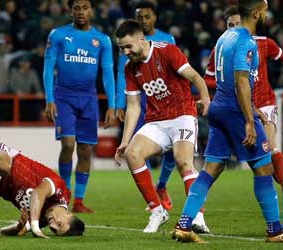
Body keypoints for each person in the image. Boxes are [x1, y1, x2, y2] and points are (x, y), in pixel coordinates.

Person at [172, 0, 283, 243]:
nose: (266, 16)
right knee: (264, 168)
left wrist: (254, 108)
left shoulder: (225, 38)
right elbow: (241, 81)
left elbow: (227, 80)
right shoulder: (246, 41)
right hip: (234, 111)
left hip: (219, 108)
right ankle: (275, 230)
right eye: (264, 12)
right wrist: (250, 121)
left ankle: (183, 224)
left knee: (212, 168)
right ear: (256, 13)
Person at [114, 20, 211, 233]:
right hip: (157, 121)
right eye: (122, 49)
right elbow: (133, 106)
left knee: (183, 161)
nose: (126, 52)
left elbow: (194, 76)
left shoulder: (167, 51)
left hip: (182, 115)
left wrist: (204, 98)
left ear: (142, 39)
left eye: (128, 46)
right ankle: (158, 211)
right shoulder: (130, 68)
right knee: (132, 154)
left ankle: (198, 218)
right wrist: (124, 141)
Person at [43, 0, 116, 213]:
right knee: (68, 145)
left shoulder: (102, 40)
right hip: (64, 97)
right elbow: (48, 68)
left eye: (85, 7)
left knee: (85, 151)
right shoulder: (57, 35)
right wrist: (49, 100)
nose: (81, 12)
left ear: (91, 10)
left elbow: (108, 73)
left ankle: (79, 201)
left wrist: (112, 105)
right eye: (77, 8)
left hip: (89, 100)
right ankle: (63, 196)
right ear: (70, 10)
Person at [205, 5, 283, 191]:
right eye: (230, 25)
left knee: (269, 147)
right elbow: (208, 79)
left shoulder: (265, 43)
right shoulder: (220, 48)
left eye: (237, 24)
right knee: (223, 163)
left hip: (263, 103)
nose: (234, 28)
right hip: (237, 106)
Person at [116, 0, 176, 212]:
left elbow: (175, 69)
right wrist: (118, 103)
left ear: (155, 17)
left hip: (165, 101)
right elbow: (122, 74)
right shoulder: (128, 42)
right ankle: (152, 196)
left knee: (173, 150)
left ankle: (162, 186)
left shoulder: (167, 39)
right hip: (140, 102)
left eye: (147, 16)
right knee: (138, 148)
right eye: (139, 17)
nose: (143, 20)